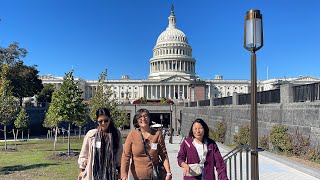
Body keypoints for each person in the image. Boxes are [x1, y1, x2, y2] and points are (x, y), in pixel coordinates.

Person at [121, 108, 172, 180]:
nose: (143, 119)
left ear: (149, 118)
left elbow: (164, 155)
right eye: (140, 117)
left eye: (145, 116)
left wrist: (168, 172)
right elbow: (126, 156)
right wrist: (124, 174)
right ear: (136, 120)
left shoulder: (157, 134)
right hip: (136, 176)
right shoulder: (132, 135)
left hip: (154, 175)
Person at [78, 108, 123, 180]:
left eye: (106, 120)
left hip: (110, 172)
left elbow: (119, 154)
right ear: (97, 121)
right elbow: (84, 153)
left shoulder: (116, 134)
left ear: (110, 120)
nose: (103, 123)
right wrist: (81, 171)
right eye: (100, 121)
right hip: (93, 171)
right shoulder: (91, 135)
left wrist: (120, 171)